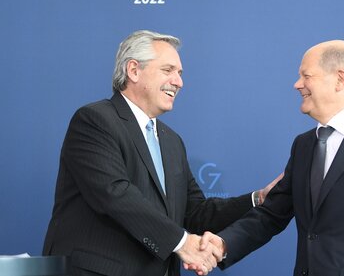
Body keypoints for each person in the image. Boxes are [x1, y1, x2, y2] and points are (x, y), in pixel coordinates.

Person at [42, 30, 281, 276]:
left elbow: (194, 212)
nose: (179, 82)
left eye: (179, 73)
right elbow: (115, 195)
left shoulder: (172, 141)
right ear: (133, 70)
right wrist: (183, 243)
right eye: (168, 70)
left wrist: (257, 199)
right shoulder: (95, 120)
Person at [199, 40, 344, 276]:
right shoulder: (303, 145)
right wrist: (223, 245)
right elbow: (271, 214)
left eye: (306, 76)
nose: (297, 85)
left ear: (340, 79)